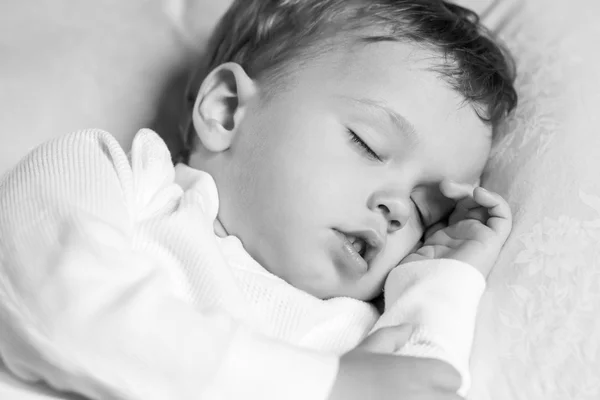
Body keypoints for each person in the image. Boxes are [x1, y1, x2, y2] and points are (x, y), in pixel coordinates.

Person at [0, 1, 517, 400]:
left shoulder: (355, 329)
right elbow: (61, 303)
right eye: (368, 144)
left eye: (426, 213)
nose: (399, 209)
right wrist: (319, 385)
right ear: (226, 111)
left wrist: (442, 279)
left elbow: (424, 383)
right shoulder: (120, 180)